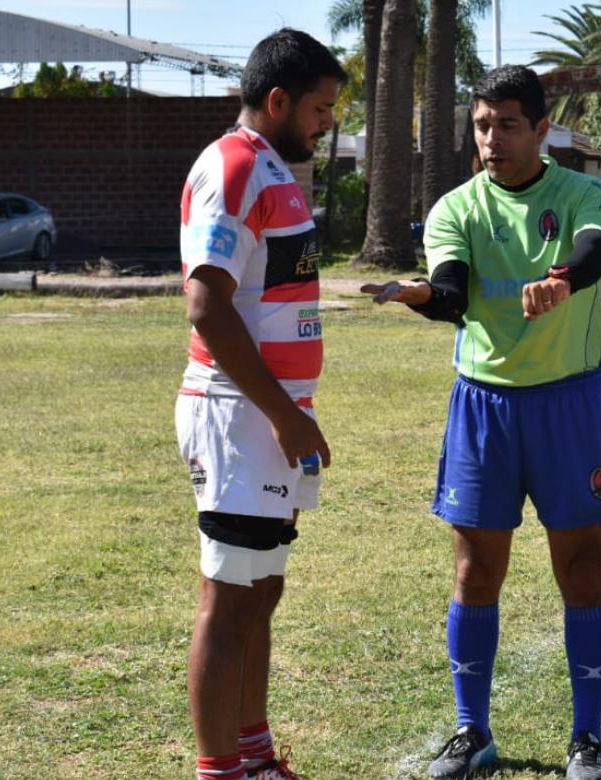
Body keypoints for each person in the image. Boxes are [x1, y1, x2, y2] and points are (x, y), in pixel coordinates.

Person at [361, 65, 601, 780]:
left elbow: (599, 247)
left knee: (581, 568)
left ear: (542, 129)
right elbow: (451, 293)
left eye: (508, 124)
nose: (492, 138)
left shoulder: (583, 192)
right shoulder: (455, 208)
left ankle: (587, 740)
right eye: (482, 124)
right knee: (476, 571)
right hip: (485, 406)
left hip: (569, 403)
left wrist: (562, 281)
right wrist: (418, 293)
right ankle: (472, 731)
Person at [174, 29, 344, 780]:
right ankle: (222, 771)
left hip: (271, 416)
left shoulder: (273, 165)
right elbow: (206, 304)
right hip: (239, 415)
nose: (326, 122)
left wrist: (291, 411)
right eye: (317, 107)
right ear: (276, 101)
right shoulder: (235, 165)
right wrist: (283, 414)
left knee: (261, 590)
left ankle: (255, 758)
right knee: (229, 596)